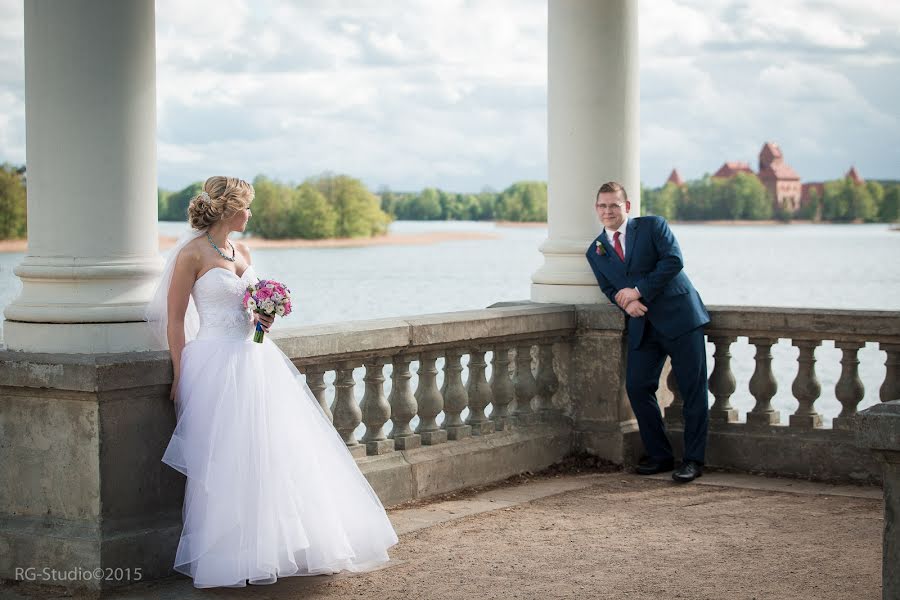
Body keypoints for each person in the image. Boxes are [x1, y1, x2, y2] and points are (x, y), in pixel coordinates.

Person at [145, 176, 398, 588]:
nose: (251, 213)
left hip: (257, 359)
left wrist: (263, 317)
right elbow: (175, 320)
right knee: (228, 459)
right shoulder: (190, 255)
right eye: (247, 206)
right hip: (215, 364)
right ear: (229, 210)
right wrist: (179, 371)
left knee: (276, 452)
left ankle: (277, 548)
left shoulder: (241, 250)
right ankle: (233, 556)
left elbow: (250, 304)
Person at [584, 181, 710, 483]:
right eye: (602, 205)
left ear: (626, 207)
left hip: (680, 318)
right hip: (642, 325)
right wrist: (626, 304)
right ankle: (661, 455)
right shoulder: (595, 250)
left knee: (693, 391)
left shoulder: (653, 226)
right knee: (638, 387)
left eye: (614, 205)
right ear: (596, 209)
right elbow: (608, 287)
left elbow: (673, 261)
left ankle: (693, 461)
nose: (608, 211)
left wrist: (638, 291)